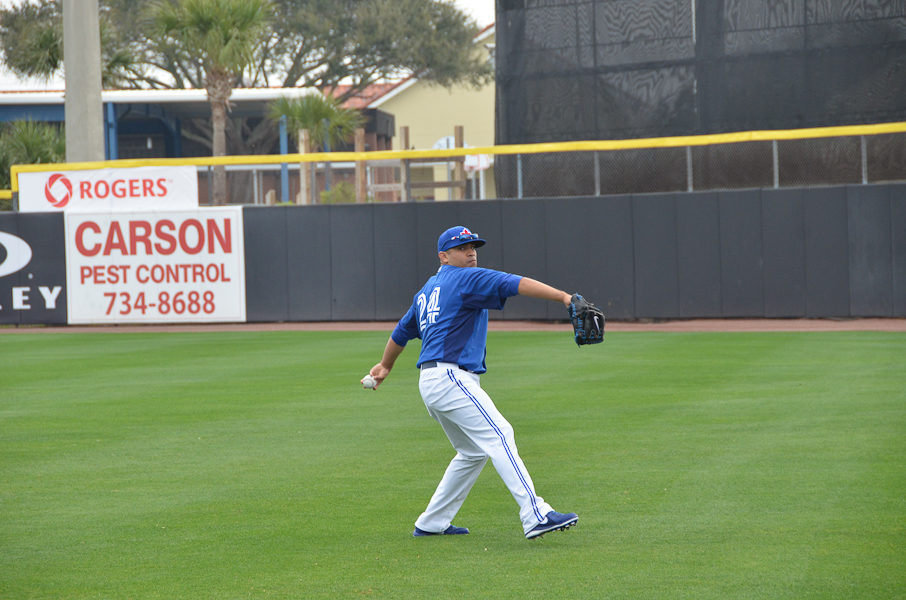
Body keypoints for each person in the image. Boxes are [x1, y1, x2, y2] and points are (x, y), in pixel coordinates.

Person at [363, 226, 580, 540]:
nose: (471, 252)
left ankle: (432, 522)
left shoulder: (427, 289)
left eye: (473, 246)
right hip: (451, 377)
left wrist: (385, 365)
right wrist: (563, 297)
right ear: (444, 256)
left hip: (432, 380)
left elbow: (401, 332)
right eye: (462, 247)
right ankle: (535, 514)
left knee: (472, 452)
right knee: (501, 434)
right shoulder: (465, 278)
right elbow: (515, 283)